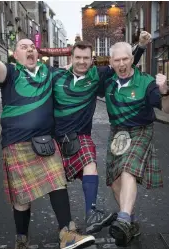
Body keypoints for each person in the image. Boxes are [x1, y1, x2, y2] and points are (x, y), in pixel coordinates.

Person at [0, 3, 95, 249]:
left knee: (57, 183)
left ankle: (66, 233)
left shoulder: (49, 74)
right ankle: (21, 239)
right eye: (24, 47)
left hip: (45, 143)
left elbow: (77, 75)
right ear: (15, 54)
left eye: (32, 47)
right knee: (22, 199)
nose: (30, 49)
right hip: (16, 144)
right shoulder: (11, 73)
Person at [52, 33, 151, 234]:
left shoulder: (97, 75)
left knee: (90, 164)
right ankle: (66, 225)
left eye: (86, 58)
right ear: (72, 57)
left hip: (80, 135)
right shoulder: (56, 76)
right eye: (78, 57)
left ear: (92, 59)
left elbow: (123, 64)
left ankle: (91, 214)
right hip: (56, 138)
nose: (82, 61)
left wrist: (140, 47)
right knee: (56, 183)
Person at [101, 42, 169, 246]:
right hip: (116, 132)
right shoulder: (107, 81)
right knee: (115, 182)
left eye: (126, 59)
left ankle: (123, 217)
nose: (122, 63)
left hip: (141, 129)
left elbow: (168, 109)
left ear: (132, 59)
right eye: (117, 60)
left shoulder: (146, 82)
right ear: (111, 63)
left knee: (127, 170)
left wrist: (165, 91)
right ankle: (131, 222)